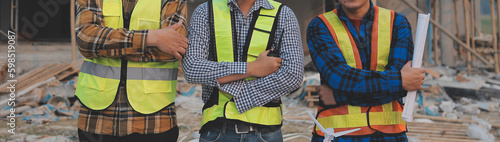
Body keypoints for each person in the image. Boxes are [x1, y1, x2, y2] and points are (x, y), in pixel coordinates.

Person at [182, 0, 304, 141]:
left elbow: (292, 74)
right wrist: (252, 68)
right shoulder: (205, 11)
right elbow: (192, 68)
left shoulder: (283, 14)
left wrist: (238, 95)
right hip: (218, 130)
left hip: (266, 133)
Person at [307, 0, 426, 141]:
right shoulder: (320, 26)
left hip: (389, 135)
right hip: (338, 135)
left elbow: (401, 88)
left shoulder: (397, 22)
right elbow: (339, 79)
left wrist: (339, 97)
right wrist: (399, 80)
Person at [74, 0, 187, 141]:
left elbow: (173, 48)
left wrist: (106, 47)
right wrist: (151, 38)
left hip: (154, 120)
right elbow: (86, 40)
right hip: (97, 120)